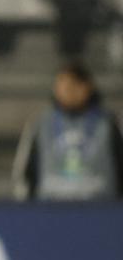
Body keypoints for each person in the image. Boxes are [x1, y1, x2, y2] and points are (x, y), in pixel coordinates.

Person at [13, 62, 123, 200]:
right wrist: (25, 204)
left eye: (72, 86)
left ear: (87, 87)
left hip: (102, 206)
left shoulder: (109, 123)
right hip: (50, 207)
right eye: (61, 86)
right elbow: (24, 172)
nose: (66, 91)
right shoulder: (41, 124)